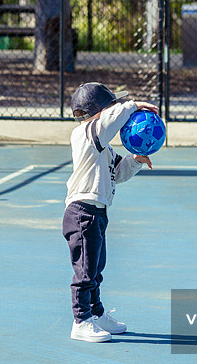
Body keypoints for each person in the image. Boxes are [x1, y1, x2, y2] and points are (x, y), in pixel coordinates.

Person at [63, 82, 158, 342]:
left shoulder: (102, 145)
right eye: (112, 106)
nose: (118, 109)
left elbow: (117, 173)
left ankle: (97, 313)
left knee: (95, 268)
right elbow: (111, 121)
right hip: (82, 212)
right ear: (99, 112)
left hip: (97, 212)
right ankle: (80, 321)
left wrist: (135, 160)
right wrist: (133, 106)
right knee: (84, 271)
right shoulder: (84, 134)